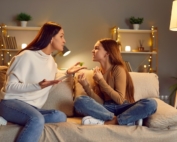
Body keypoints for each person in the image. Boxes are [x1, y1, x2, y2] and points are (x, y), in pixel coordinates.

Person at [0, 22, 86, 142]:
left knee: (60, 116)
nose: (64, 40)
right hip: (11, 103)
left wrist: (67, 73)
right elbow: (9, 87)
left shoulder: (51, 61)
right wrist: (37, 86)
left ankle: (13, 120)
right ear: (51, 37)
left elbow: (50, 81)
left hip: (32, 107)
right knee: (37, 119)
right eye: (61, 36)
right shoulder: (26, 56)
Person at [74, 38, 157, 126]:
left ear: (107, 53)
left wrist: (101, 80)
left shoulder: (118, 69)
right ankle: (125, 120)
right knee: (79, 101)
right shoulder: (98, 72)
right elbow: (100, 103)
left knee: (151, 103)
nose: (92, 51)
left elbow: (120, 100)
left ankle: (106, 121)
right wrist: (86, 85)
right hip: (105, 108)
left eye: (97, 48)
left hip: (123, 107)